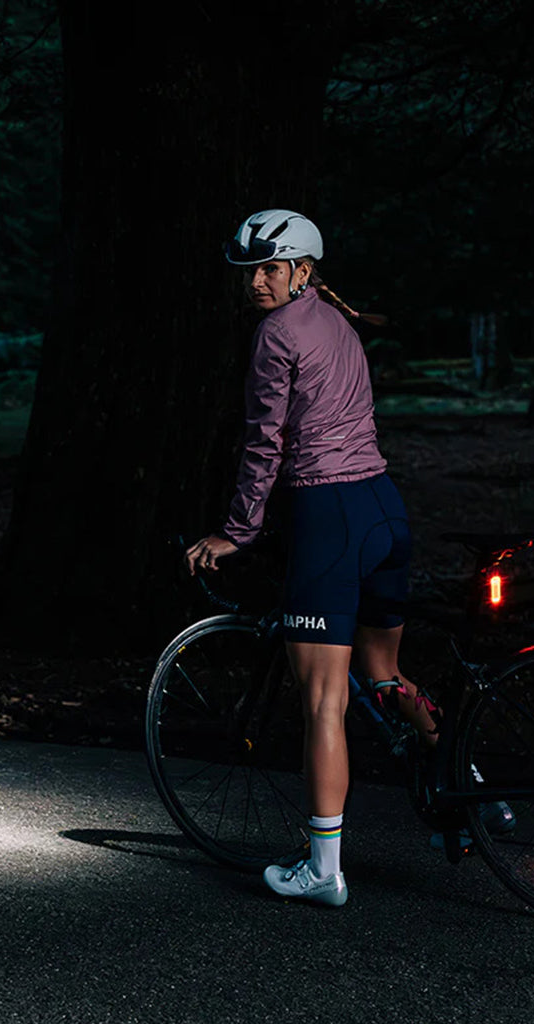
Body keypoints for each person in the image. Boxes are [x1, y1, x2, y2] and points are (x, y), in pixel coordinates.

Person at [185, 209, 437, 907]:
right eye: (250, 271)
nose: (258, 283)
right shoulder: (334, 319)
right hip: (384, 507)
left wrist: (238, 531)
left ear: (302, 270)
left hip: (330, 517)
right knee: (383, 674)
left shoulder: (275, 336)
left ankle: (324, 872)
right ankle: (463, 781)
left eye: (271, 268)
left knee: (324, 699)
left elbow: (264, 444)